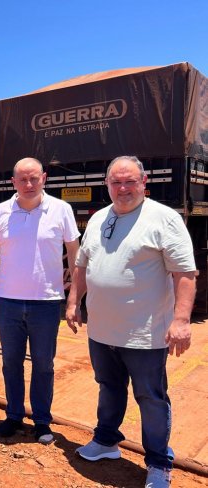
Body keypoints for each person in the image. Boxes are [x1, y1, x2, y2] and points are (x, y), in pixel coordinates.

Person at [65, 156, 196, 488]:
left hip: (144, 335)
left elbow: (185, 273)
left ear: (143, 182)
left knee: (151, 397)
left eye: (130, 182)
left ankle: (158, 463)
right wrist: (73, 302)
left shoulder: (164, 219)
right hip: (102, 331)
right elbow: (82, 265)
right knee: (108, 388)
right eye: (116, 182)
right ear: (107, 184)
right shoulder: (99, 218)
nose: (123, 189)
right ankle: (106, 441)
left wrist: (181, 320)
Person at [0, 157, 80, 444]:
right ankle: (14, 415)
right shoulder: (0, 212)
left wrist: (74, 297)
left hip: (46, 303)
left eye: (34, 178)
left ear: (44, 179)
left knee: (44, 365)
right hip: (8, 301)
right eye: (23, 179)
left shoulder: (61, 210)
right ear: (13, 182)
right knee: (10, 363)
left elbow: (75, 253)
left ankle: (41, 420)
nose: (29, 184)